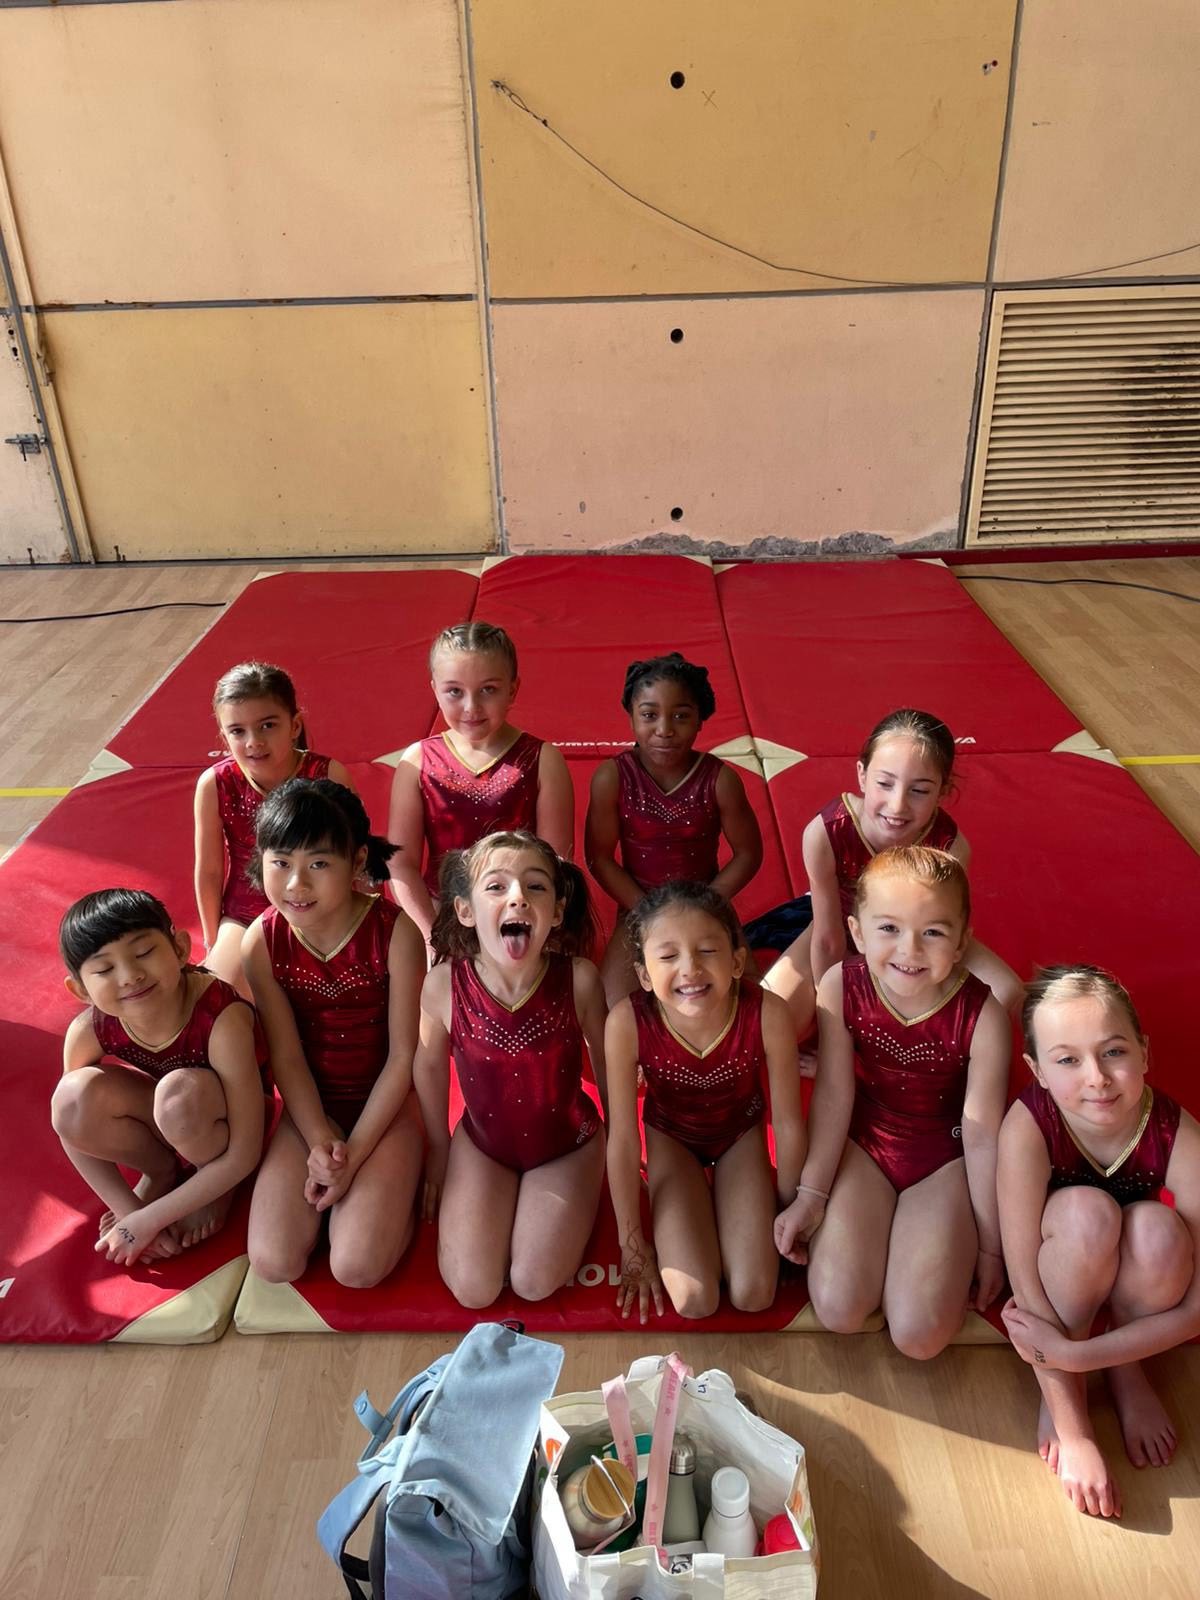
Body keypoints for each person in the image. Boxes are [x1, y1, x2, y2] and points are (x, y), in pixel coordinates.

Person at [776, 845, 1010, 1359]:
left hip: (944, 1159)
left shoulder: (983, 1015)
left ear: (962, 941)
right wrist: (812, 1194)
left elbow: (981, 1135)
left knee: (919, 1336)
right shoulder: (840, 985)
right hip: (867, 1145)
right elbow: (834, 1095)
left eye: (934, 932)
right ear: (857, 932)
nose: (910, 950)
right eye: (889, 928)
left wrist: (992, 1245)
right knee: (838, 1309)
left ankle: (917, 1256)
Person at [998, 965, 1200, 1520]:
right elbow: (1025, 1283)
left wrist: (1077, 1356)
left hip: (1131, 1290)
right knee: (1087, 1214)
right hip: (1065, 1275)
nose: (1098, 1078)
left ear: (1144, 1052)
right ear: (1037, 1071)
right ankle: (1068, 1393)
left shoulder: (1178, 1133)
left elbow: (1197, 1308)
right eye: (1067, 1060)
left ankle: (1126, 1369)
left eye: (1113, 1052)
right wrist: (1072, 1428)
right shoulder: (1027, 1126)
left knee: (1160, 1232)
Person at [414, 830, 608, 1307]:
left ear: (557, 912)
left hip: (567, 1146)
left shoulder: (579, 979)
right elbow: (429, 1068)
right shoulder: (442, 986)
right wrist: (438, 1148)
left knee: (533, 1281)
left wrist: (622, 1149)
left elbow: (610, 1069)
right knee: (473, 1289)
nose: (518, 897)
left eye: (535, 886)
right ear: (465, 910)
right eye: (497, 886)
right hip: (484, 1145)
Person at [243, 779, 424, 1288]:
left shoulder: (395, 932)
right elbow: (286, 1056)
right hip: (309, 1109)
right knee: (274, 1262)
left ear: (357, 860)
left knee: (356, 1267)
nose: (296, 884)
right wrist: (320, 1139)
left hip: (388, 1108)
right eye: (281, 863)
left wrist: (353, 1155)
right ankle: (348, 1191)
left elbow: (403, 1056)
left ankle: (391, 1196)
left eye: (319, 864)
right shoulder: (262, 940)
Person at [760, 707, 1020, 1051]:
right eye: (884, 784)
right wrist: (833, 1022)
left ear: (943, 790)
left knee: (1007, 995)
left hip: (918, 939)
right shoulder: (825, 833)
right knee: (771, 1026)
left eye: (920, 790)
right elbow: (827, 940)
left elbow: (938, 942)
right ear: (862, 775)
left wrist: (904, 992)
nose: (897, 806)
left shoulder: (950, 849)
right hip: (842, 925)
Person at [605, 881, 805, 1323]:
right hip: (671, 1139)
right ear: (643, 974)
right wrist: (631, 1244)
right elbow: (621, 1140)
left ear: (736, 961)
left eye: (707, 951)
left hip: (740, 1136)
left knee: (754, 1292)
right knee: (695, 1299)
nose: (690, 969)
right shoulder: (627, 1022)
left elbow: (788, 1123)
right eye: (668, 956)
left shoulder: (767, 1013)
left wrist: (791, 1211)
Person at [52, 887, 269, 1267]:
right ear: (80, 990)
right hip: (173, 1116)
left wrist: (149, 1221)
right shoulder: (89, 1030)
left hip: (230, 1120)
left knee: (177, 1097)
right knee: (71, 1097)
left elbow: (245, 1151)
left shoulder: (222, 1018)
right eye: (104, 970)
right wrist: (128, 1212)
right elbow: (69, 1127)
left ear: (180, 949)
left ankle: (216, 1182)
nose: (130, 976)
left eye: (144, 953)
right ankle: (160, 1171)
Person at [585, 652, 763, 1006]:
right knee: (611, 1006)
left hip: (706, 902)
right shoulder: (613, 778)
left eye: (681, 716)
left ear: (700, 720)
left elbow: (748, 853)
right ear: (631, 716)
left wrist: (710, 901)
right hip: (639, 906)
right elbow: (599, 857)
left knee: (751, 1003)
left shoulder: (720, 780)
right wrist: (645, 908)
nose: (665, 729)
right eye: (649, 715)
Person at [386, 622, 574, 946]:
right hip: (441, 915)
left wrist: (535, 934)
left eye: (488, 690)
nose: (471, 707)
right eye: (455, 692)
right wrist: (431, 936)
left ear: (512, 689)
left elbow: (556, 864)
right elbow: (400, 864)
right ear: (435, 690)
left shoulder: (542, 759)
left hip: (520, 915)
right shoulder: (418, 761)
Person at [194, 661, 350, 997]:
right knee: (218, 995)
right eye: (238, 731)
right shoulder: (215, 784)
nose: (254, 742)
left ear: (294, 725)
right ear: (223, 736)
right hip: (245, 912)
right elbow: (209, 871)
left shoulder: (328, 775)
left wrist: (362, 922)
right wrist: (213, 941)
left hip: (320, 905)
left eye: (267, 725)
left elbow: (353, 857)